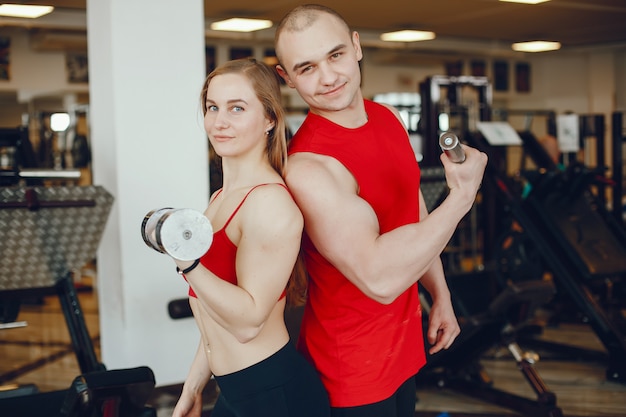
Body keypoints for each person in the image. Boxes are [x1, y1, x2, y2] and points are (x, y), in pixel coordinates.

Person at [274, 4, 488, 416]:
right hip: (350, 369)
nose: (328, 77)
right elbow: (379, 279)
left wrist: (439, 293)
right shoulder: (310, 167)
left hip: (403, 346)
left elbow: (414, 213)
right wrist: (461, 198)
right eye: (307, 68)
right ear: (286, 77)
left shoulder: (386, 116)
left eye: (335, 55)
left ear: (356, 47)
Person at [171, 58, 330, 417]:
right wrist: (193, 386)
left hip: (272, 393)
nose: (219, 122)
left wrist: (188, 263)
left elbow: (247, 322)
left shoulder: (269, 202)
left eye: (237, 108)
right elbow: (213, 313)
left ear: (270, 119)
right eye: (213, 107)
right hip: (234, 390)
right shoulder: (220, 199)